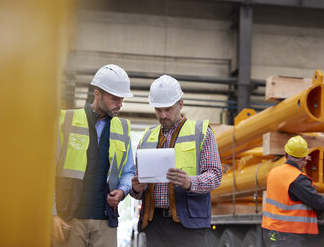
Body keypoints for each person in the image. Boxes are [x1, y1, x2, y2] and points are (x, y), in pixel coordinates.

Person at [130, 75, 222, 247]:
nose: (163, 115)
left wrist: (190, 182)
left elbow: (215, 175)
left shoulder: (202, 133)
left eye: (168, 109)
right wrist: (135, 189)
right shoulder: (146, 137)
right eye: (158, 110)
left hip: (188, 226)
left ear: (181, 103)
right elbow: (137, 183)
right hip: (154, 224)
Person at [51, 64, 135, 247]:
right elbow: (47, 172)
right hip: (69, 220)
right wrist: (53, 213)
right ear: (97, 94)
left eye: (121, 99)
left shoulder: (122, 129)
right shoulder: (66, 121)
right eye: (114, 98)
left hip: (105, 223)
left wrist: (122, 191)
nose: (120, 104)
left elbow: (129, 172)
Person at [262, 135, 324, 247]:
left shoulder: (273, 173)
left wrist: (302, 161)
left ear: (286, 155)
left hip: (271, 231)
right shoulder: (297, 179)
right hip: (288, 235)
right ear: (305, 158)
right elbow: (316, 202)